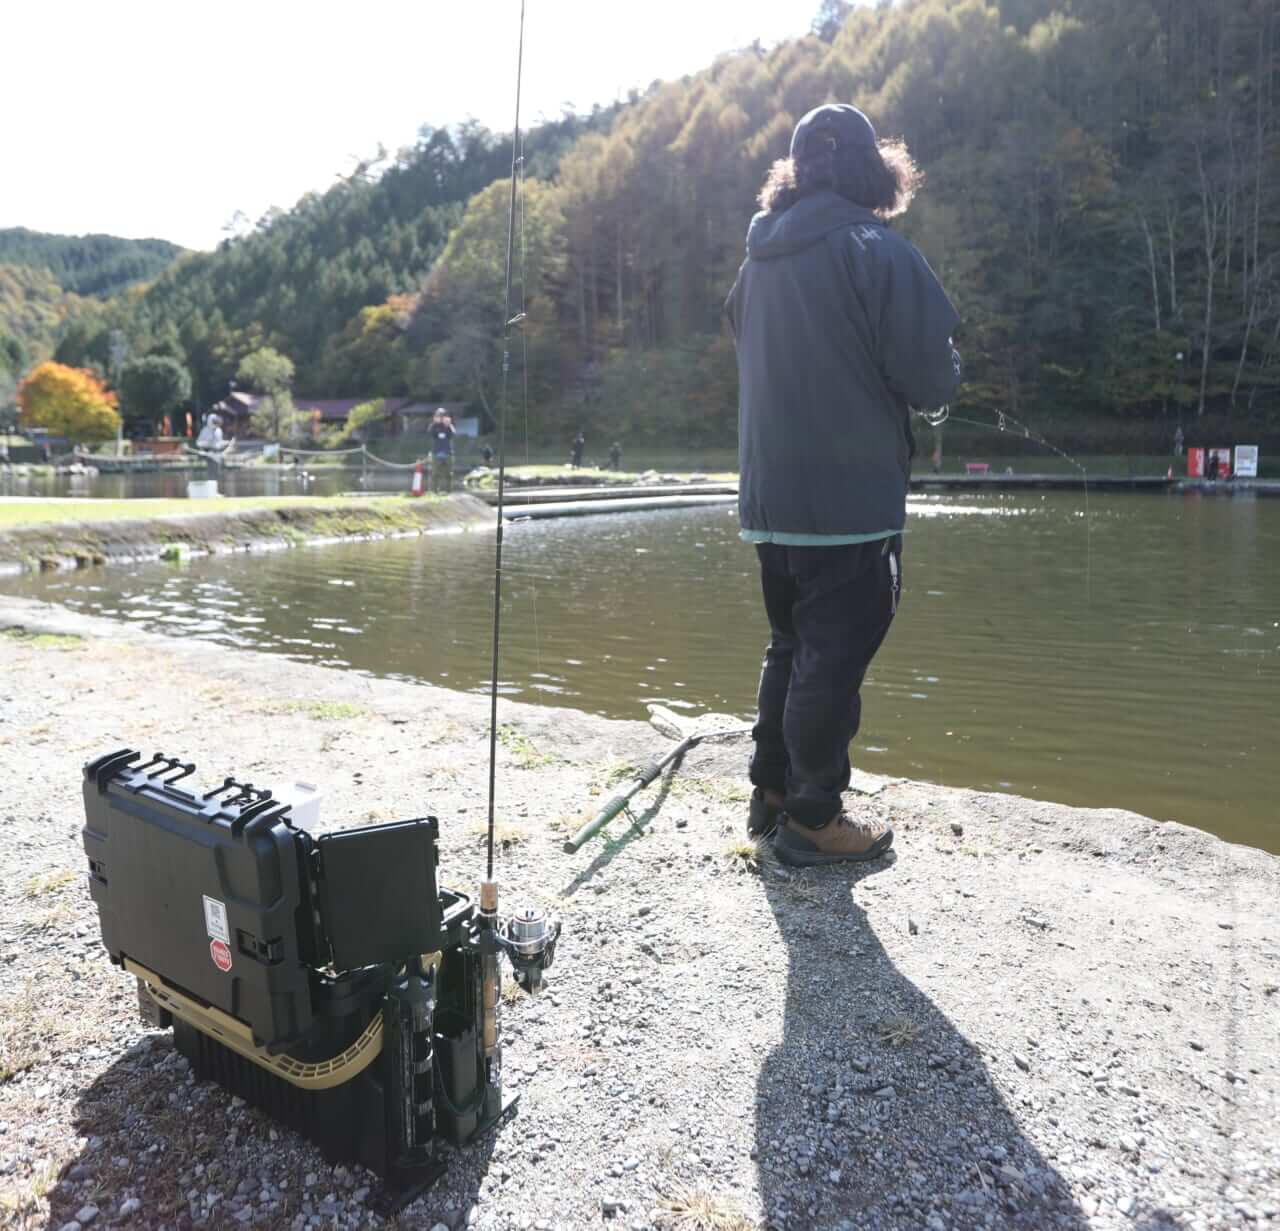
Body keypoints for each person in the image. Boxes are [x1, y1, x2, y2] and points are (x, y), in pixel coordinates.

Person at [725, 103, 961, 866]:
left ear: (794, 173)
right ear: (874, 173)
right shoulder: (878, 251)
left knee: (789, 644)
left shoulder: (755, 261)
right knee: (833, 657)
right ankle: (816, 816)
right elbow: (931, 379)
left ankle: (771, 791)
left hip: (770, 503)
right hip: (851, 505)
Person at [428, 408, 455, 493]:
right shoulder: (434, 426)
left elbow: (453, 434)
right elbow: (430, 433)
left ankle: (449, 491)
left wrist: (448, 425)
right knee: (435, 474)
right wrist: (435, 423)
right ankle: (434, 491)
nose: (439, 417)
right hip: (436, 453)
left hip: (448, 453)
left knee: (449, 474)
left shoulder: (448, 426)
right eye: (438, 416)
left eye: (441, 416)